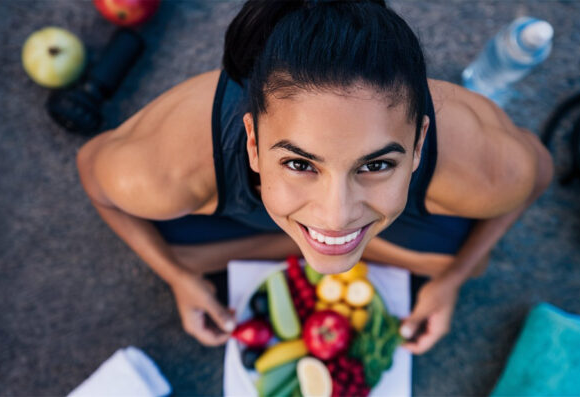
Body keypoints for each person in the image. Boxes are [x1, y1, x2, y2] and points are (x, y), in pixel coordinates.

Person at [76, 0, 553, 354]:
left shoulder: (486, 166)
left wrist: (450, 283)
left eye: (376, 164)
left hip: (262, 220)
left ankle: (290, 239)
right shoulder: (163, 168)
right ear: (253, 143)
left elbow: (537, 175)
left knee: (474, 264)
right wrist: (177, 276)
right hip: (229, 193)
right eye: (300, 164)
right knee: (172, 249)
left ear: (420, 143)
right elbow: (91, 172)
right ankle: (311, 243)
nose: (335, 212)